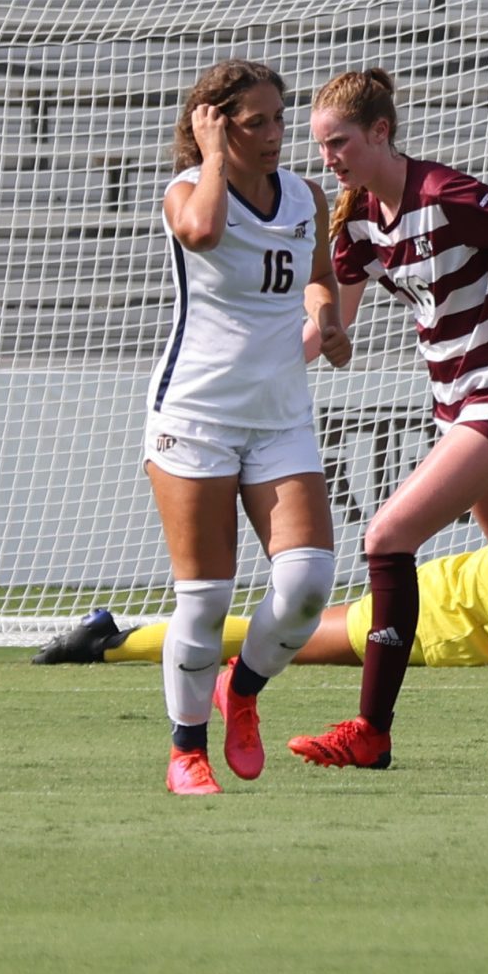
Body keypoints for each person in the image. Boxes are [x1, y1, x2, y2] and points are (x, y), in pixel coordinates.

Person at [289, 68, 488, 770]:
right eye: (320, 147)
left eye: (338, 142)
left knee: (386, 536)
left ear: (380, 132)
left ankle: (371, 732)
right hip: (461, 403)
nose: (328, 158)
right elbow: (333, 330)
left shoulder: (443, 193)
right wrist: (284, 353)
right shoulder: (358, 221)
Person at [146, 59, 353, 794]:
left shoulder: (304, 194)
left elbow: (318, 271)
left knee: (306, 585)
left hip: (279, 417)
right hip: (196, 417)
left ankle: (245, 690)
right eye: (254, 120)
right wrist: (208, 158)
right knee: (204, 598)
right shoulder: (185, 193)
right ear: (214, 123)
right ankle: (186, 750)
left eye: (278, 117)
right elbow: (202, 233)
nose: (274, 135)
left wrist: (323, 314)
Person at [35, 509, 488, 674]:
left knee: (274, 631)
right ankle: (111, 643)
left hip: (436, 592)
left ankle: (113, 633)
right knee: (278, 644)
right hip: (432, 622)